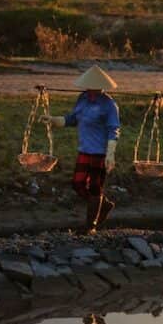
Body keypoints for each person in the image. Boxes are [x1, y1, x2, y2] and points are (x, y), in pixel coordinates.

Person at [42, 65, 121, 233]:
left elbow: (113, 129)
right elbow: (72, 119)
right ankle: (103, 204)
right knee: (77, 184)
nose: (90, 90)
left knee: (94, 187)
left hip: (100, 152)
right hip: (85, 150)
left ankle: (90, 225)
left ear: (101, 87)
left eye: (93, 88)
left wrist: (110, 154)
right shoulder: (82, 99)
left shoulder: (109, 105)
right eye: (88, 87)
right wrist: (53, 120)